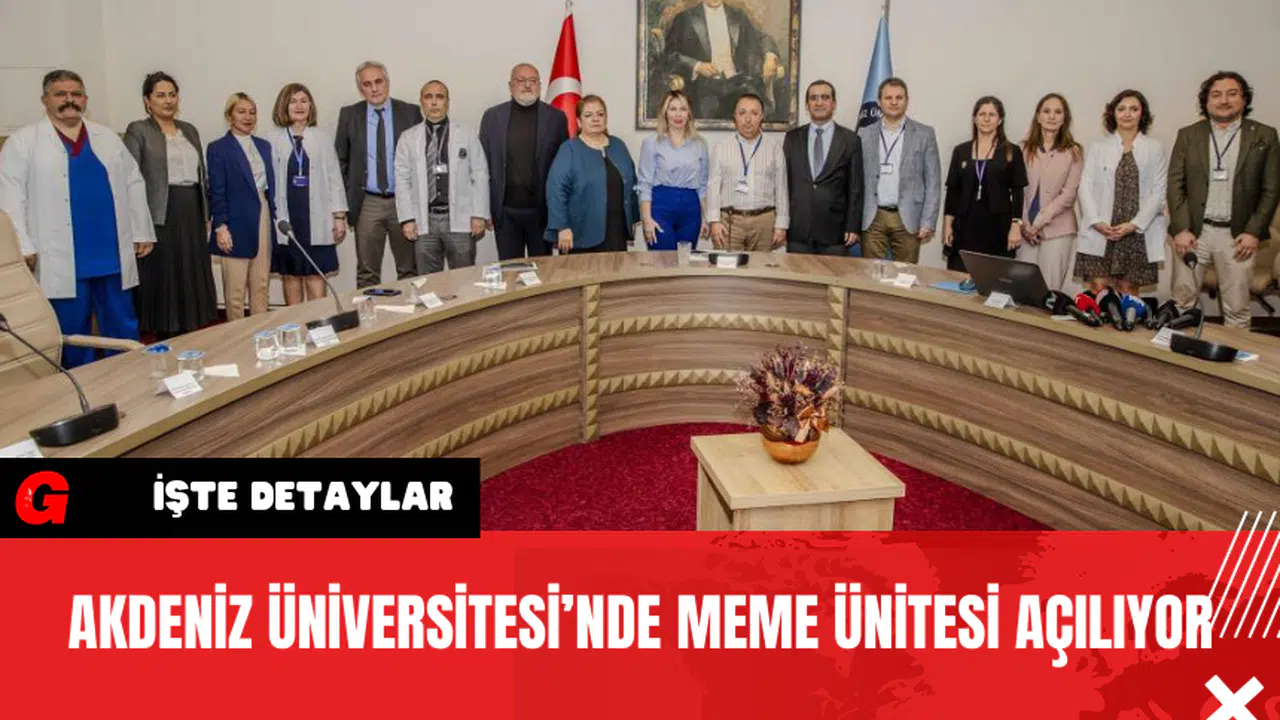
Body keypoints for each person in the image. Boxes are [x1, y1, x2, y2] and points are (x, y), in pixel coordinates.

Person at [0, 69, 155, 368]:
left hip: (110, 252)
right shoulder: (23, 142)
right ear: (45, 100)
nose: (69, 100)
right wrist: (22, 245)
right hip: (60, 256)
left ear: (85, 99)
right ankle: (80, 385)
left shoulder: (106, 137)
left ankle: (128, 376)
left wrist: (141, 231)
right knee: (71, 332)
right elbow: (10, 198)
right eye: (60, 94)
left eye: (76, 94)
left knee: (122, 324)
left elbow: (133, 182)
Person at [1169, 71, 1280, 329]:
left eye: (1232, 94)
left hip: (1238, 237)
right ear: (1206, 100)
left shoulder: (1264, 135)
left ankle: (1234, 355)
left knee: (1237, 308)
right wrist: (1181, 228)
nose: (1224, 100)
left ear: (1244, 99)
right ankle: (1180, 352)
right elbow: (1175, 184)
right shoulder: (1188, 135)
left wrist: (1254, 232)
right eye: (1216, 95)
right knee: (1182, 301)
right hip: (1194, 234)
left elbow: (1272, 189)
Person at [123, 71, 217, 340]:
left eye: (172, 95)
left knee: (191, 273)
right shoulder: (138, 130)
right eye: (160, 95)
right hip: (159, 214)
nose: (168, 101)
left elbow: (202, 175)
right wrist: (138, 226)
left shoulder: (189, 130)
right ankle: (166, 336)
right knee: (164, 276)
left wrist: (206, 214)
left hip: (191, 209)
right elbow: (129, 178)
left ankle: (190, 332)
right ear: (147, 100)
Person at [334, 61, 421, 288]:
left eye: (378, 81)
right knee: (367, 271)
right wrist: (347, 197)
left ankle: (409, 310)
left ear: (387, 82)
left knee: (409, 269)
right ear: (360, 88)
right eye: (367, 84)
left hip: (403, 202)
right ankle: (368, 311)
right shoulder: (349, 115)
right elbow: (340, 160)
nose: (374, 88)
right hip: (367, 203)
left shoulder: (410, 112)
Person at [1076, 90, 1168, 297]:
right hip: (1103, 230)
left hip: (1136, 231)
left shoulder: (1154, 148)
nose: (1127, 114)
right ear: (1113, 113)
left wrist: (1134, 224)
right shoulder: (1098, 147)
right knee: (1099, 289)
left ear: (1142, 114)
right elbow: (1085, 186)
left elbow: (1159, 191)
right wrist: (1096, 222)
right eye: (1121, 109)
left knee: (1128, 291)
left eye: (1134, 109)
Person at [395, 80, 490, 275]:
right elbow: (402, 179)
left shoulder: (467, 134)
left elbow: (480, 174)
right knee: (429, 281)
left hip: (460, 219)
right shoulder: (408, 138)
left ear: (447, 102)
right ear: (421, 102)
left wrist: (479, 214)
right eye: (428, 97)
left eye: (439, 97)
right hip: (424, 220)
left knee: (464, 278)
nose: (434, 102)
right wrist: (407, 219)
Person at [479, 63, 570, 260]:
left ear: (540, 85)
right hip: (505, 212)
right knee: (510, 270)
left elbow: (564, 168)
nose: (527, 85)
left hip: (542, 212)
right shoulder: (492, 117)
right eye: (521, 80)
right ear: (511, 86)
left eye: (533, 80)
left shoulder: (556, 118)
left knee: (544, 271)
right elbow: (481, 167)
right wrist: (484, 210)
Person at [269, 83, 348, 305]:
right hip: (287, 218)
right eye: (293, 101)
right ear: (283, 106)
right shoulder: (272, 139)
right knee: (291, 275)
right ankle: (295, 322)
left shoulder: (322, 138)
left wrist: (339, 216)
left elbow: (334, 177)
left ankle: (318, 321)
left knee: (315, 274)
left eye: (304, 101)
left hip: (317, 218)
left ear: (311, 106)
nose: (299, 106)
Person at [206, 92, 276, 320]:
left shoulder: (264, 146)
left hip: (262, 214)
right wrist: (220, 226)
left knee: (261, 284)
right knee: (235, 291)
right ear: (230, 116)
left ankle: (262, 333)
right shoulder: (218, 148)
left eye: (252, 112)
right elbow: (217, 190)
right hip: (233, 222)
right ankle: (237, 336)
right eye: (241, 112)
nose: (248, 117)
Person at [858, 77, 941, 264]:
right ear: (879, 102)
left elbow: (933, 182)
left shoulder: (925, 134)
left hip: (908, 217)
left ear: (907, 100)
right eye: (888, 98)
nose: (894, 102)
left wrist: (928, 221)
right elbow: (856, 180)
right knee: (870, 274)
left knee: (905, 275)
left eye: (899, 97)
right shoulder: (864, 134)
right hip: (873, 216)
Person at [943, 96, 1028, 273]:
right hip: (965, 226)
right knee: (959, 277)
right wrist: (947, 225)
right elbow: (953, 191)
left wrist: (1016, 226)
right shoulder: (961, 151)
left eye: (992, 114)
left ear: (1000, 120)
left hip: (998, 227)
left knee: (994, 279)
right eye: (982, 114)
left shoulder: (1011, 152)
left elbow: (1018, 192)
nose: (986, 119)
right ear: (974, 118)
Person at [545, 95, 639, 254]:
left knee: (614, 270)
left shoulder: (618, 145)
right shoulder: (569, 149)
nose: (595, 119)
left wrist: (633, 218)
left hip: (616, 230)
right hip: (580, 233)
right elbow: (555, 190)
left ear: (606, 118)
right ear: (579, 121)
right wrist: (562, 227)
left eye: (600, 114)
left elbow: (632, 183)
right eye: (588, 115)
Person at [662, 0, 783, 120]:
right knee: (709, 117)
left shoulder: (738, 15)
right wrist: (698, 66)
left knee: (755, 112)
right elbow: (669, 56)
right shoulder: (684, 18)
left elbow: (762, 38)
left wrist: (770, 55)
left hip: (739, 84)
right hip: (704, 88)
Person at [783, 79, 863, 256]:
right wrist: (782, 223)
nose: (819, 103)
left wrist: (853, 226)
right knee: (798, 275)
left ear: (833, 104)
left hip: (835, 231)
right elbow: (785, 184)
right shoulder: (791, 138)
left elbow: (856, 188)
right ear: (807, 105)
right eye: (813, 98)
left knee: (834, 275)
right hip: (798, 230)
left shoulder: (850, 140)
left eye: (825, 97)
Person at [1016, 93, 1084, 293]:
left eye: (1058, 112)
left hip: (1058, 230)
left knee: (1049, 291)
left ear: (1065, 118)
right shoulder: (1023, 148)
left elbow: (1069, 195)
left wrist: (1038, 223)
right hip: (1024, 231)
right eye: (1046, 111)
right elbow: (1016, 189)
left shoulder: (1074, 151)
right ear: (1038, 116)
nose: (1052, 116)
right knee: (1022, 289)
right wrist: (1025, 224)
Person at [706, 93, 788, 252]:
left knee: (761, 267)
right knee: (728, 266)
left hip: (764, 222)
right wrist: (714, 222)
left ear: (762, 117)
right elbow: (713, 187)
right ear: (735, 117)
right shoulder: (721, 147)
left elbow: (781, 188)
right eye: (742, 113)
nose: (748, 119)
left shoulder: (774, 148)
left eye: (754, 113)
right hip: (729, 222)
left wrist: (781, 225)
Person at [637, 90, 708, 251]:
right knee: (662, 259)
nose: (678, 114)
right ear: (665, 113)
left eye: (683, 109)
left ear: (689, 114)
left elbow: (703, 186)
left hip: (691, 210)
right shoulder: (651, 142)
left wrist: (704, 218)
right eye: (673, 109)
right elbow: (644, 184)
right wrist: (646, 219)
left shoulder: (700, 144)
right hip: (661, 207)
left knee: (685, 260)